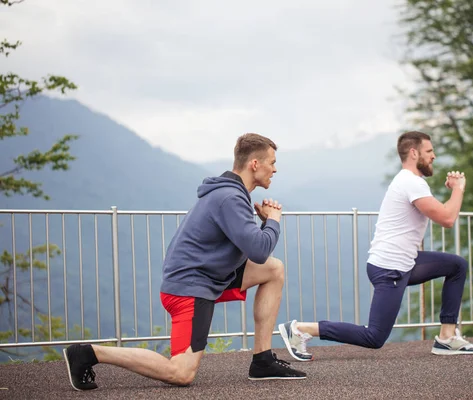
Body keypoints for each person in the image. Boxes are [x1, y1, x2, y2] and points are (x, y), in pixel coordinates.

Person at [63, 133, 306, 391]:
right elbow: (258, 249)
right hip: (189, 288)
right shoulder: (230, 198)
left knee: (273, 269)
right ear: (254, 164)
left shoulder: (231, 194)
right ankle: (89, 354)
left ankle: (263, 361)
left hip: (208, 276)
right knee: (181, 372)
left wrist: (265, 224)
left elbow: (253, 248)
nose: (275, 168)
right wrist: (274, 220)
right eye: (272, 162)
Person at [278, 131, 473, 361]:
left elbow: (442, 213)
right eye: (429, 151)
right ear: (414, 153)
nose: (434, 156)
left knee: (456, 266)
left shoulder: (413, 182)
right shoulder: (410, 182)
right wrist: (458, 188)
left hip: (405, 262)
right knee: (374, 337)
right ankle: (300, 329)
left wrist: (453, 192)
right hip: (390, 268)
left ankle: (446, 338)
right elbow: (447, 218)